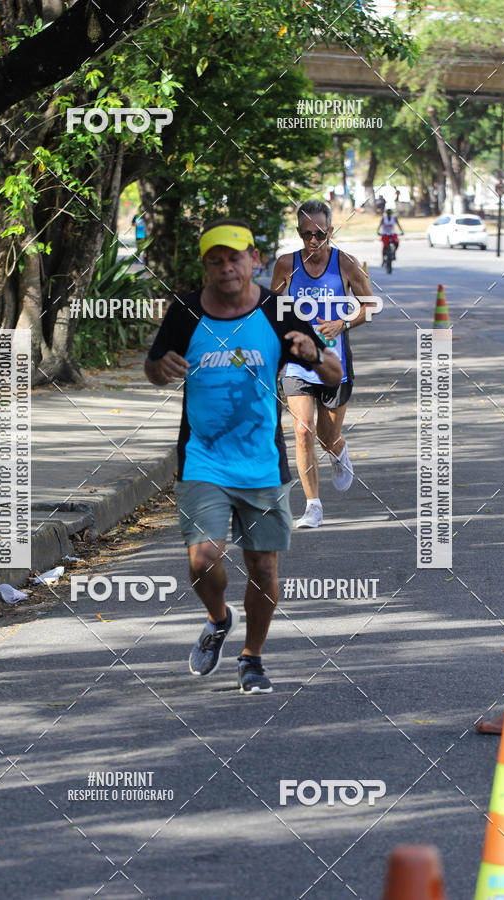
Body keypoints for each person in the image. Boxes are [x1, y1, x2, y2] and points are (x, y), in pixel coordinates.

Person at [144, 219, 342, 693]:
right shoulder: (187, 311)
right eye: (216, 259)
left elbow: (333, 374)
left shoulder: (279, 311)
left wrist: (312, 354)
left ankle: (252, 656)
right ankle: (217, 619)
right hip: (202, 459)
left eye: (235, 257)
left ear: (254, 260)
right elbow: (153, 368)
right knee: (203, 560)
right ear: (206, 266)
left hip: (261, 463)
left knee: (264, 569)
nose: (226, 267)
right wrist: (160, 368)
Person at [270, 199, 374, 529]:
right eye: (305, 235)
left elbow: (370, 305)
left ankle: (339, 451)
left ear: (330, 231)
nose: (313, 241)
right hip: (298, 364)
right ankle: (313, 506)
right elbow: (270, 313)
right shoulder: (286, 265)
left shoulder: (346, 264)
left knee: (327, 438)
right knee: (302, 431)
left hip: (334, 363)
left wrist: (342, 323)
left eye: (319, 234)